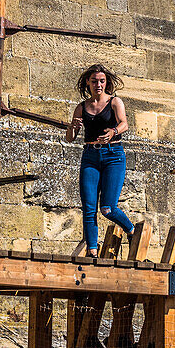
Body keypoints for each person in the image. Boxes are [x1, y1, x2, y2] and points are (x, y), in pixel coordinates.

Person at [65, 64, 133, 257]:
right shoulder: (81, 107)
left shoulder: (114, 102)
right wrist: (72, 126)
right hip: (90, 156)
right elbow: (70, 138)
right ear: (88, 82)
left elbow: (124, 123)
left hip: (113, 155)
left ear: (106, 82)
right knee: (88, 206)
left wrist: (113, 132)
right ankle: (92, 251)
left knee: (107, 208)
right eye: (94, 81)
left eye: (102, 81)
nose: (98, 85)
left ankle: (131, 230)